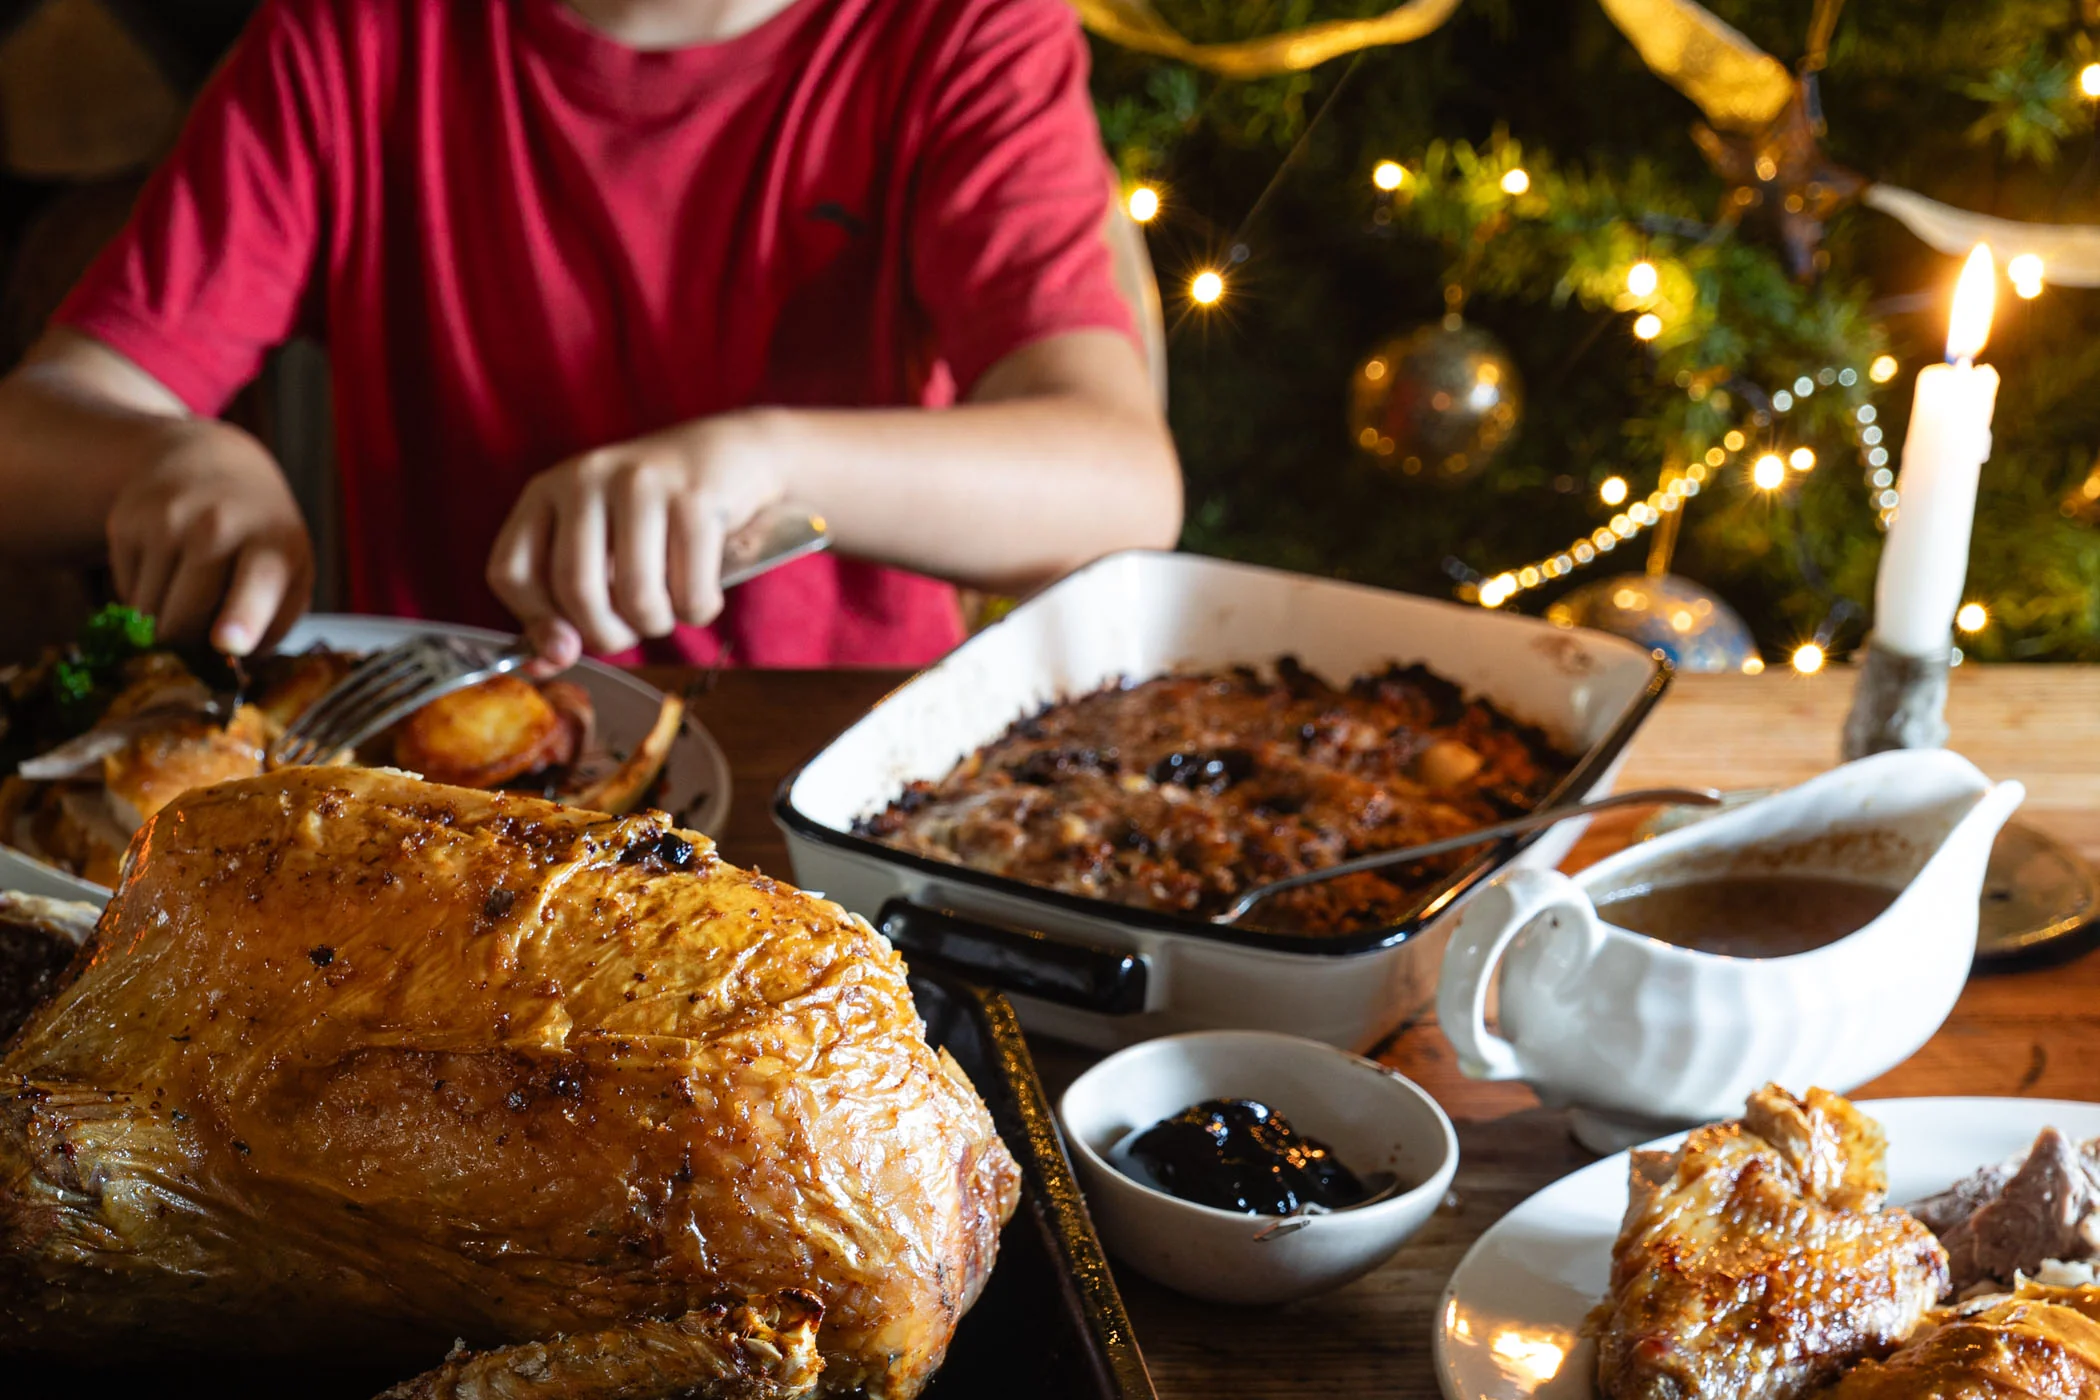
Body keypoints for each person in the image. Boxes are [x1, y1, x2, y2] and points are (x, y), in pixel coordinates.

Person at [0, 0, 1180, 669]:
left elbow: (1121, 482)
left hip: (836, 785)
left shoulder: (963, 31)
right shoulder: (348, 38)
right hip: (458, 796)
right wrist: (164, 458)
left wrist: (769, 459)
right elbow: (30, 435)